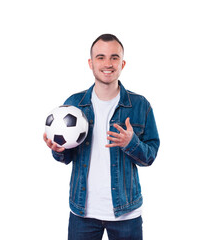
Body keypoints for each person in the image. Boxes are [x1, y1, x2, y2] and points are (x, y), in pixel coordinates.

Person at [43, 34, 160, 240]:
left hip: (127, 213)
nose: (108, 63)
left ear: (122, 63)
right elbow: (67, 157)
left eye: (114, 57)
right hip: (83, 212)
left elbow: (149, 157)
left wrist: (131, 144)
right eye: (101, 57)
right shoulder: (74, 104)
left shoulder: (140, 105)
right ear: (91, 63)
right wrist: (58, 150)